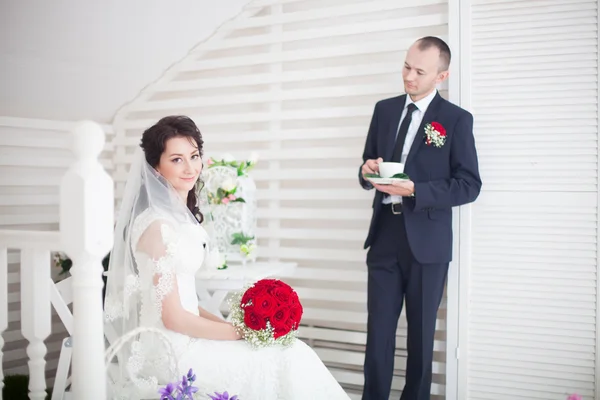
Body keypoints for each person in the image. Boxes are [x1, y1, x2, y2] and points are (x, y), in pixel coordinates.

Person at [103, 116, 350, 399]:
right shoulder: (158, 227)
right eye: (176, 159)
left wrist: (240, 327)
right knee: (290, 357)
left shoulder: (176, 218)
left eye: (194, 156)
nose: (190, 167)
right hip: (173, 351)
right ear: (156, 168)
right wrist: (237, 334)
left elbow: (189, 305)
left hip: (187, 335)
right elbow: (173, 318)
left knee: (289, 351)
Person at [358, 37, 482, 400]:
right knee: (378, 335)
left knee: (421, 339)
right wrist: (366, 171)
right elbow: (368, 164)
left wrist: (416, 190)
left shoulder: (456, 120)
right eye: (406, 66)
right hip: (384, 236)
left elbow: (469, 185)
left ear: (441, 76)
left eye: (419, 71)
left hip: (428, 245)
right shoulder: (384, 110)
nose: (409, 76)